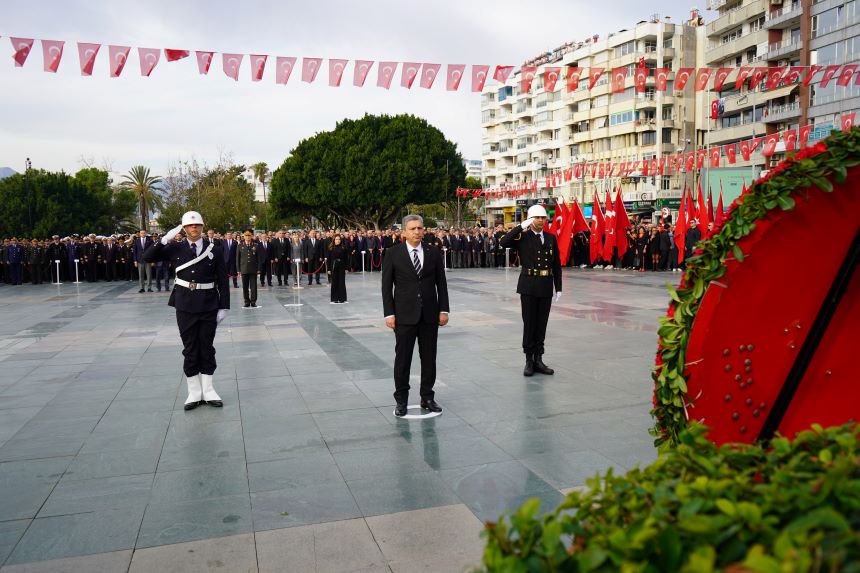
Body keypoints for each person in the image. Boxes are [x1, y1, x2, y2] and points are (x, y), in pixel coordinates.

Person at [143, 211, 230, 411]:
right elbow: (146, 257)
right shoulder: (176, 248)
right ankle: (194, 392)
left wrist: (224, 306)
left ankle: (208, 390)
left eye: (198, 225)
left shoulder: (214, 249)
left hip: (209, 304)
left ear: (202, 226)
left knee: (206, 347)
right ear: (184, 228)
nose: (194, 228)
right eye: (190, 226)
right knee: (190, 347)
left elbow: (223, 280)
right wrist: (164, 239)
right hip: (185, 305)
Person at [382, 214, 449, 417]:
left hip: (429, 315)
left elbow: (441, 283)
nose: (417, 232)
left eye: (420, 228)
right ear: (404, 232)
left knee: (429, 358)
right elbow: (386, 287)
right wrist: (389, 314)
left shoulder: (433, 253)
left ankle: (427, 397)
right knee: (403, 360)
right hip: (404, 316)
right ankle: (401, 400)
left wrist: (443, 310)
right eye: (412, 229)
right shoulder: (393, 253)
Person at [499, 205, 562, 377]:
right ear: (530, 219)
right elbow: (503, 242)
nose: (541, 220)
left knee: (542, 324)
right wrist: (521, 226)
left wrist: (559, 287)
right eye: (537, 217)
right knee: (529, 324)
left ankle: (538, 359)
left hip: (546, 285)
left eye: (543, 218)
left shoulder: (550, 238)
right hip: (528, 285)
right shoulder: (523, 237)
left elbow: (556, 264)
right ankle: (528, 360)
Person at [237, 231, 262, 308]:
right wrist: (238, 270)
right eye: (246, 236)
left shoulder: (255, 245)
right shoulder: (240, 246)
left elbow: (259, 258)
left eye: (249, 236)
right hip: (244, 269)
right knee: (245, 287)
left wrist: (258, 269)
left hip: (253, 269)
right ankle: (246, 301)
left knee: (253, 287)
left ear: (251, 237)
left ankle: (253, 301)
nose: (247, 237)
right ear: (243, 237)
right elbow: (237, 259)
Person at [327, 234, 350, 304]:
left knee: (342, 282)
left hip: (342, 266)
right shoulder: (331, 248)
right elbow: (329, 259)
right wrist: (328, 269)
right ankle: (334, 299)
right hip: (334, 266)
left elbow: (346, 258)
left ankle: (342, 299)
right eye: (336, 239)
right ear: (334, 240)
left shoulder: (344, 247)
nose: (338, 241)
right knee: (334, 282)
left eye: (339, 239)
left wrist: (346, 268)